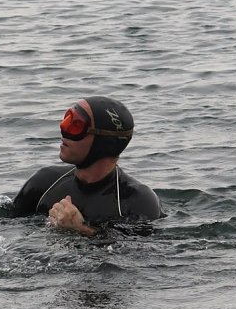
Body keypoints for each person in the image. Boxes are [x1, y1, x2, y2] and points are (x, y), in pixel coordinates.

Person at [11, 96, 162, 236]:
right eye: (67, 118)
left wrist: (81, 230)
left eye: (76, 125)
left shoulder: (138, 200)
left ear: (103, 143)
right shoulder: (43, 182)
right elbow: (6, 228)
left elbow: (142, 255)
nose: (63, 128)